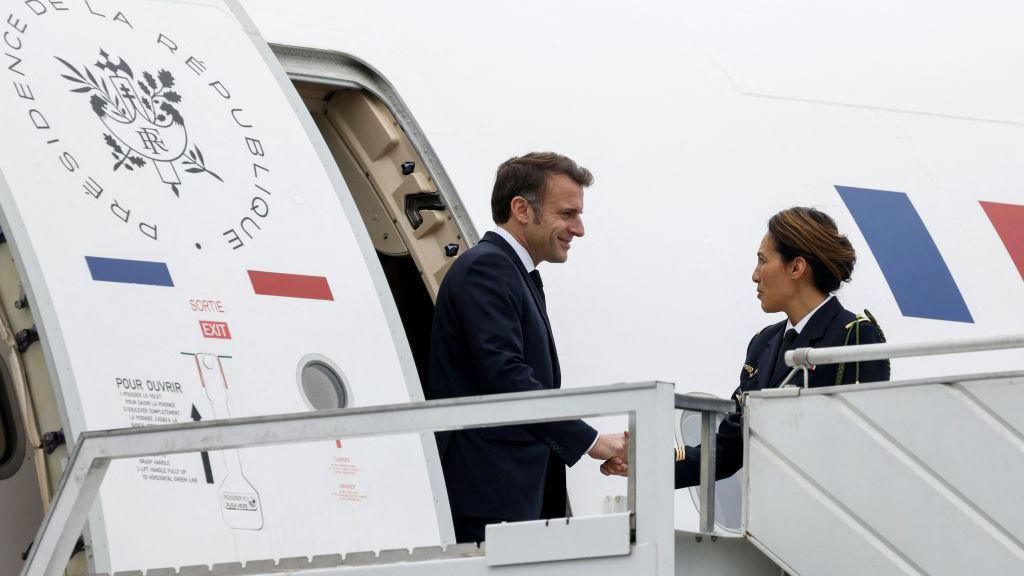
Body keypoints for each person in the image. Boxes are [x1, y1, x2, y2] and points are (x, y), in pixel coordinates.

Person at [601, 207, 890, 487]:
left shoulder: (855, 335)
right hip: (768, 518)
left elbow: (862, 447)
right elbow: (728, 449)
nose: (755, 275)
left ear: (797, 267)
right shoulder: (764, 343)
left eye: (763, 261)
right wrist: (646, 459)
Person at [428, 152, 628, 543]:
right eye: (568, 214)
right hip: (489, 491)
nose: (579, 228)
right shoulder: (488, 268)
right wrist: (592, 442)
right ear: (521, 208)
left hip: (514, 490)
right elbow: (506, 375)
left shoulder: (514, 272)